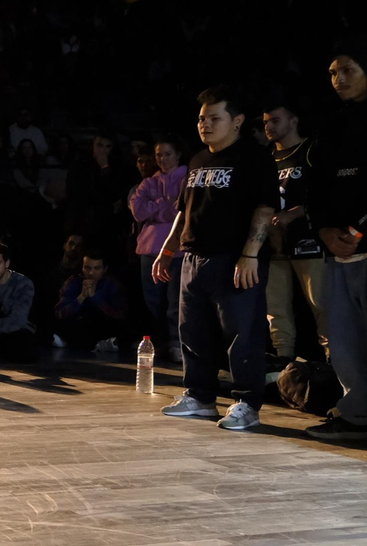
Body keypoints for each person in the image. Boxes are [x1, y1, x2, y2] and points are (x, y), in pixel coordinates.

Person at [153, 87, 278, 431]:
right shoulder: (196, 160)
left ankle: (247, 403)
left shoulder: (253, 157)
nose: (204, 124)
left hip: (234, 259)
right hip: (193, 257)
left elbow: (265, 208)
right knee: (192, 331)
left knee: (243, 333)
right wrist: (167, 249)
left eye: (214, 118)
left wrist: (250, 254)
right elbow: (184, 211)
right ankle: (200, 396)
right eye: (201, 119)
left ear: (237, 121)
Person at [308, 42, 367, 441]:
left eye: (347, 69)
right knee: (344, 341)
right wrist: (326, 231)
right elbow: (315, 188)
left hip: (364, 244)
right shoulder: (331, 125)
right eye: (332, 73)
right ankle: (356, 417)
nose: (338, 79)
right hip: (337, 252)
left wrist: (360, 231)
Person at [263, 99, 328, 362]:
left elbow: (329, 193)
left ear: (294, 120)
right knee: (275, 308)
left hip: (309, 241)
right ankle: (284, 362)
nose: (268, 126)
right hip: (274, 245)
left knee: (321, 305)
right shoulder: (265, 159)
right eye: (265, 122)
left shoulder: (312, 150)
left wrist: (298, 211)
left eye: (275, 120)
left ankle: (334, 363)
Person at [129, 138, 187, 363]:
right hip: (150, 247)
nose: (163, 159)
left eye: (167, 154)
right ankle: (161, 342)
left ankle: (176, 343)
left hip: (178, 248)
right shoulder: (149, 182)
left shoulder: (186, 177)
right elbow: (138, 211)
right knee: (154, 301)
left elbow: (180, 212)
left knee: (176, 300)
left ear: (178, 154)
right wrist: (165, 203)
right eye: (159, 155)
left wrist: (156, 208)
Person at [53, 251, 127, 354]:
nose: (91, 273)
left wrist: (94, 297)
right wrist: (81, 297)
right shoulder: (73, 282)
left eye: (97, 268)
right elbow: (60, 313)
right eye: (87, 268)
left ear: (104, 269)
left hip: (104, 326)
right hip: (78, 325)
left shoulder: (112, 284)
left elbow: (119, 315)